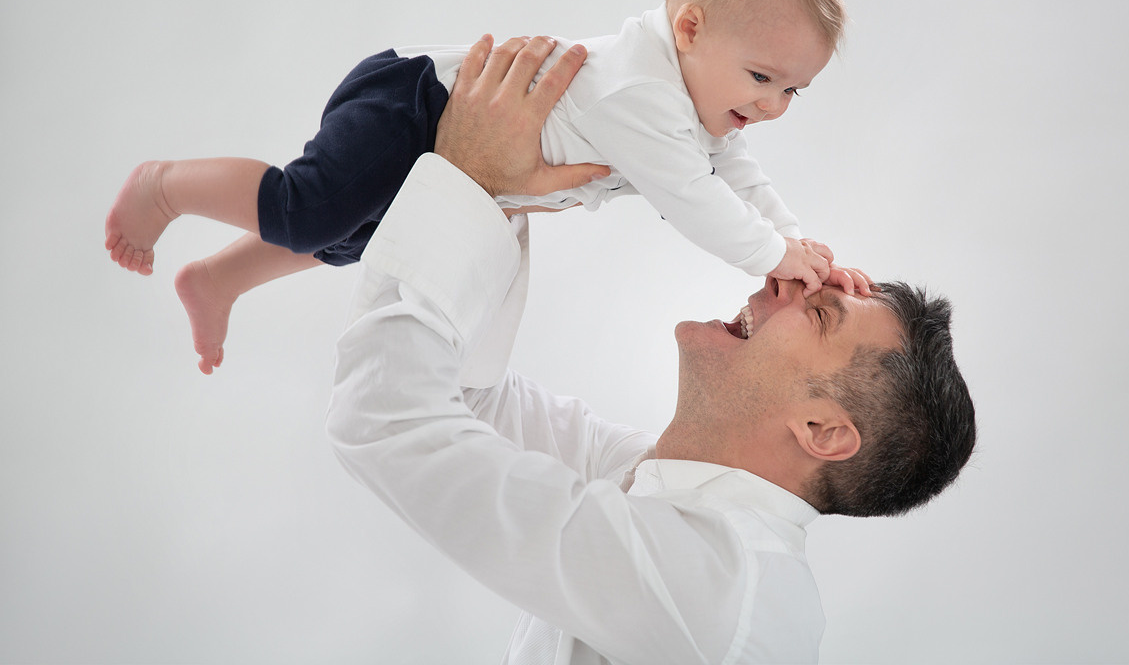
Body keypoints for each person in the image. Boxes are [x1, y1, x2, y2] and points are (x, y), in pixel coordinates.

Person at [325, 35, 976, 663]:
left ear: (822, 430)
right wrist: (505, 188)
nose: (780, 283)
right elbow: (467, 395)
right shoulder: (645, 482)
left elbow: (384, 422)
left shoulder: (718, 594)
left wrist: (469, 177)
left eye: (818, 313)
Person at [103, 0, 872, 374]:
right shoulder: (645, 93)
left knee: (352, 240)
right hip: (416, 107)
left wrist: (800, 242)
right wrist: (773, 258)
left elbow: (737, 175)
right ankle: (165, 186)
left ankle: (218, 281)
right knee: (308, 210)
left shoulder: (704, 109)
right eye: (763, 77)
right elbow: (697, 199)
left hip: (455, 160)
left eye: (792, 91)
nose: (772, 106)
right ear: (691, 29)